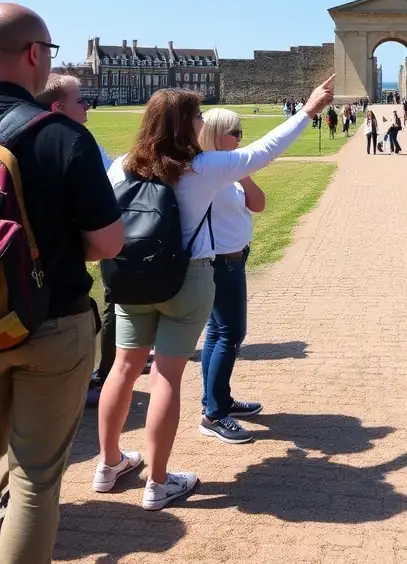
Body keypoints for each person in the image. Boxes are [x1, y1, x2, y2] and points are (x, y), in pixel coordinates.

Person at [94, 75, 334, 511]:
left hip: (131, 278)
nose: (202, 123)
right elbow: (267, 149)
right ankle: (158, 483)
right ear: (184, 124)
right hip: (188, 277)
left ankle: (109, 464)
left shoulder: (122, 165)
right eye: (197, 117)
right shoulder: (201, 167)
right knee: (166, 375)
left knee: (124, 369)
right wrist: (308, 110)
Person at [0, 2, 124, 564]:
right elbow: (106, 242)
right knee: (34, 479)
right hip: (49, 322)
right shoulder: (60, 136)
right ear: (34, 55)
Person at [35, 74, 118, 408]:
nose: (87, 106)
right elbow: (105, 240)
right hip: (58, 287)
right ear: (58, 107)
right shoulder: (75, 142)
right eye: (81, 101)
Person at [198, 109, 265, 444]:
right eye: (235, 133)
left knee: (217, 332)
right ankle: (214, 415)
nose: (240, 138)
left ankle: (217, 399)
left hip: (235, 258)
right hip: (219, 261)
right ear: (216, 134)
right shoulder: (205, 172)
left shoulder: (229, 169)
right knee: (231, 334)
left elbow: (259, 203)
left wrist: (243, 173)